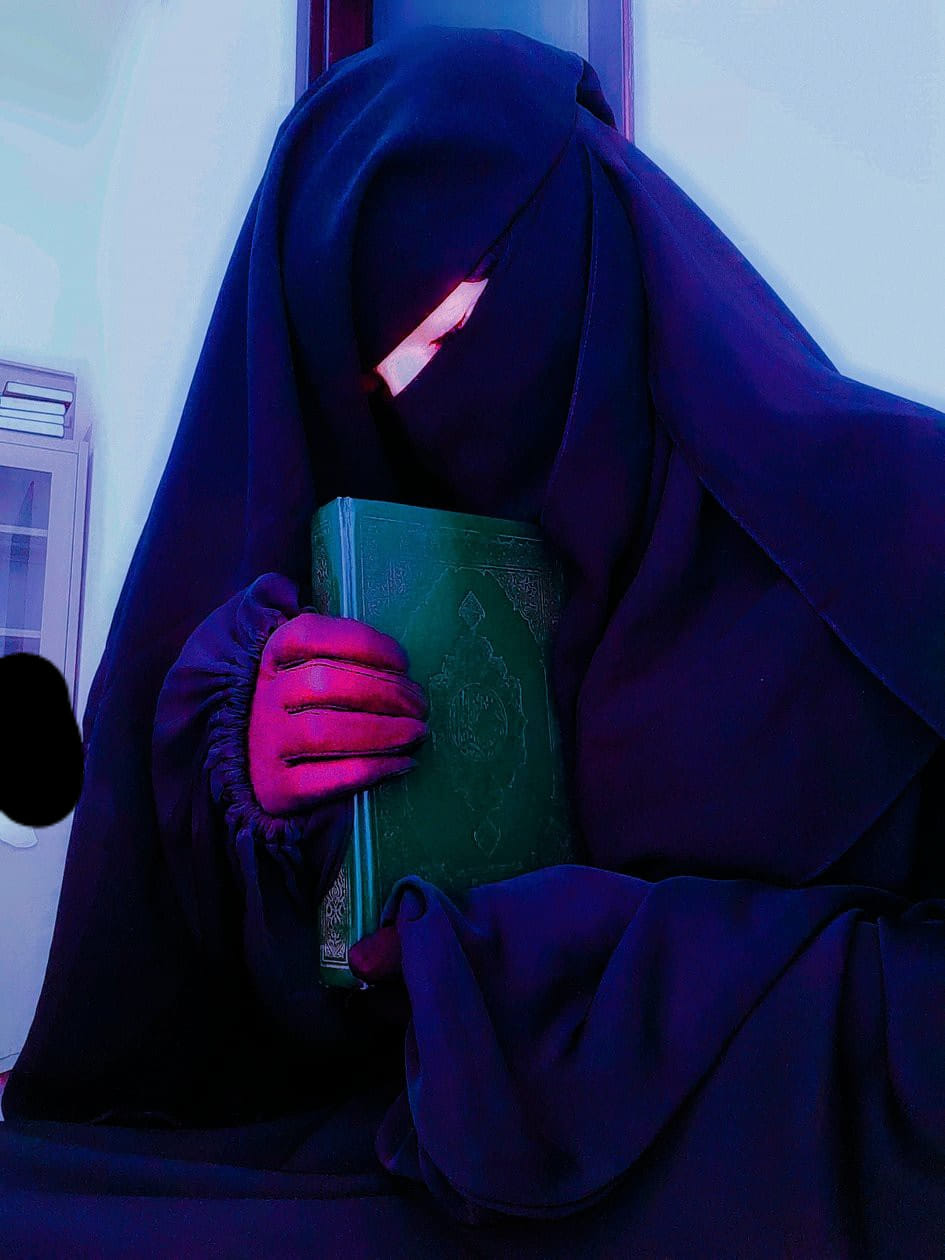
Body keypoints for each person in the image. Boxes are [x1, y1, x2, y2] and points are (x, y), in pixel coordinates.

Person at [1, 24, 944, 1257]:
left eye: (455, 327)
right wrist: (267, 797)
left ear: (597, 250)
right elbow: (297, 1029)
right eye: (380, 379)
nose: (426, 396)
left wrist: (574, 987)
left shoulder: (902, 530)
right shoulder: (421, 586)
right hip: (444, 1173)